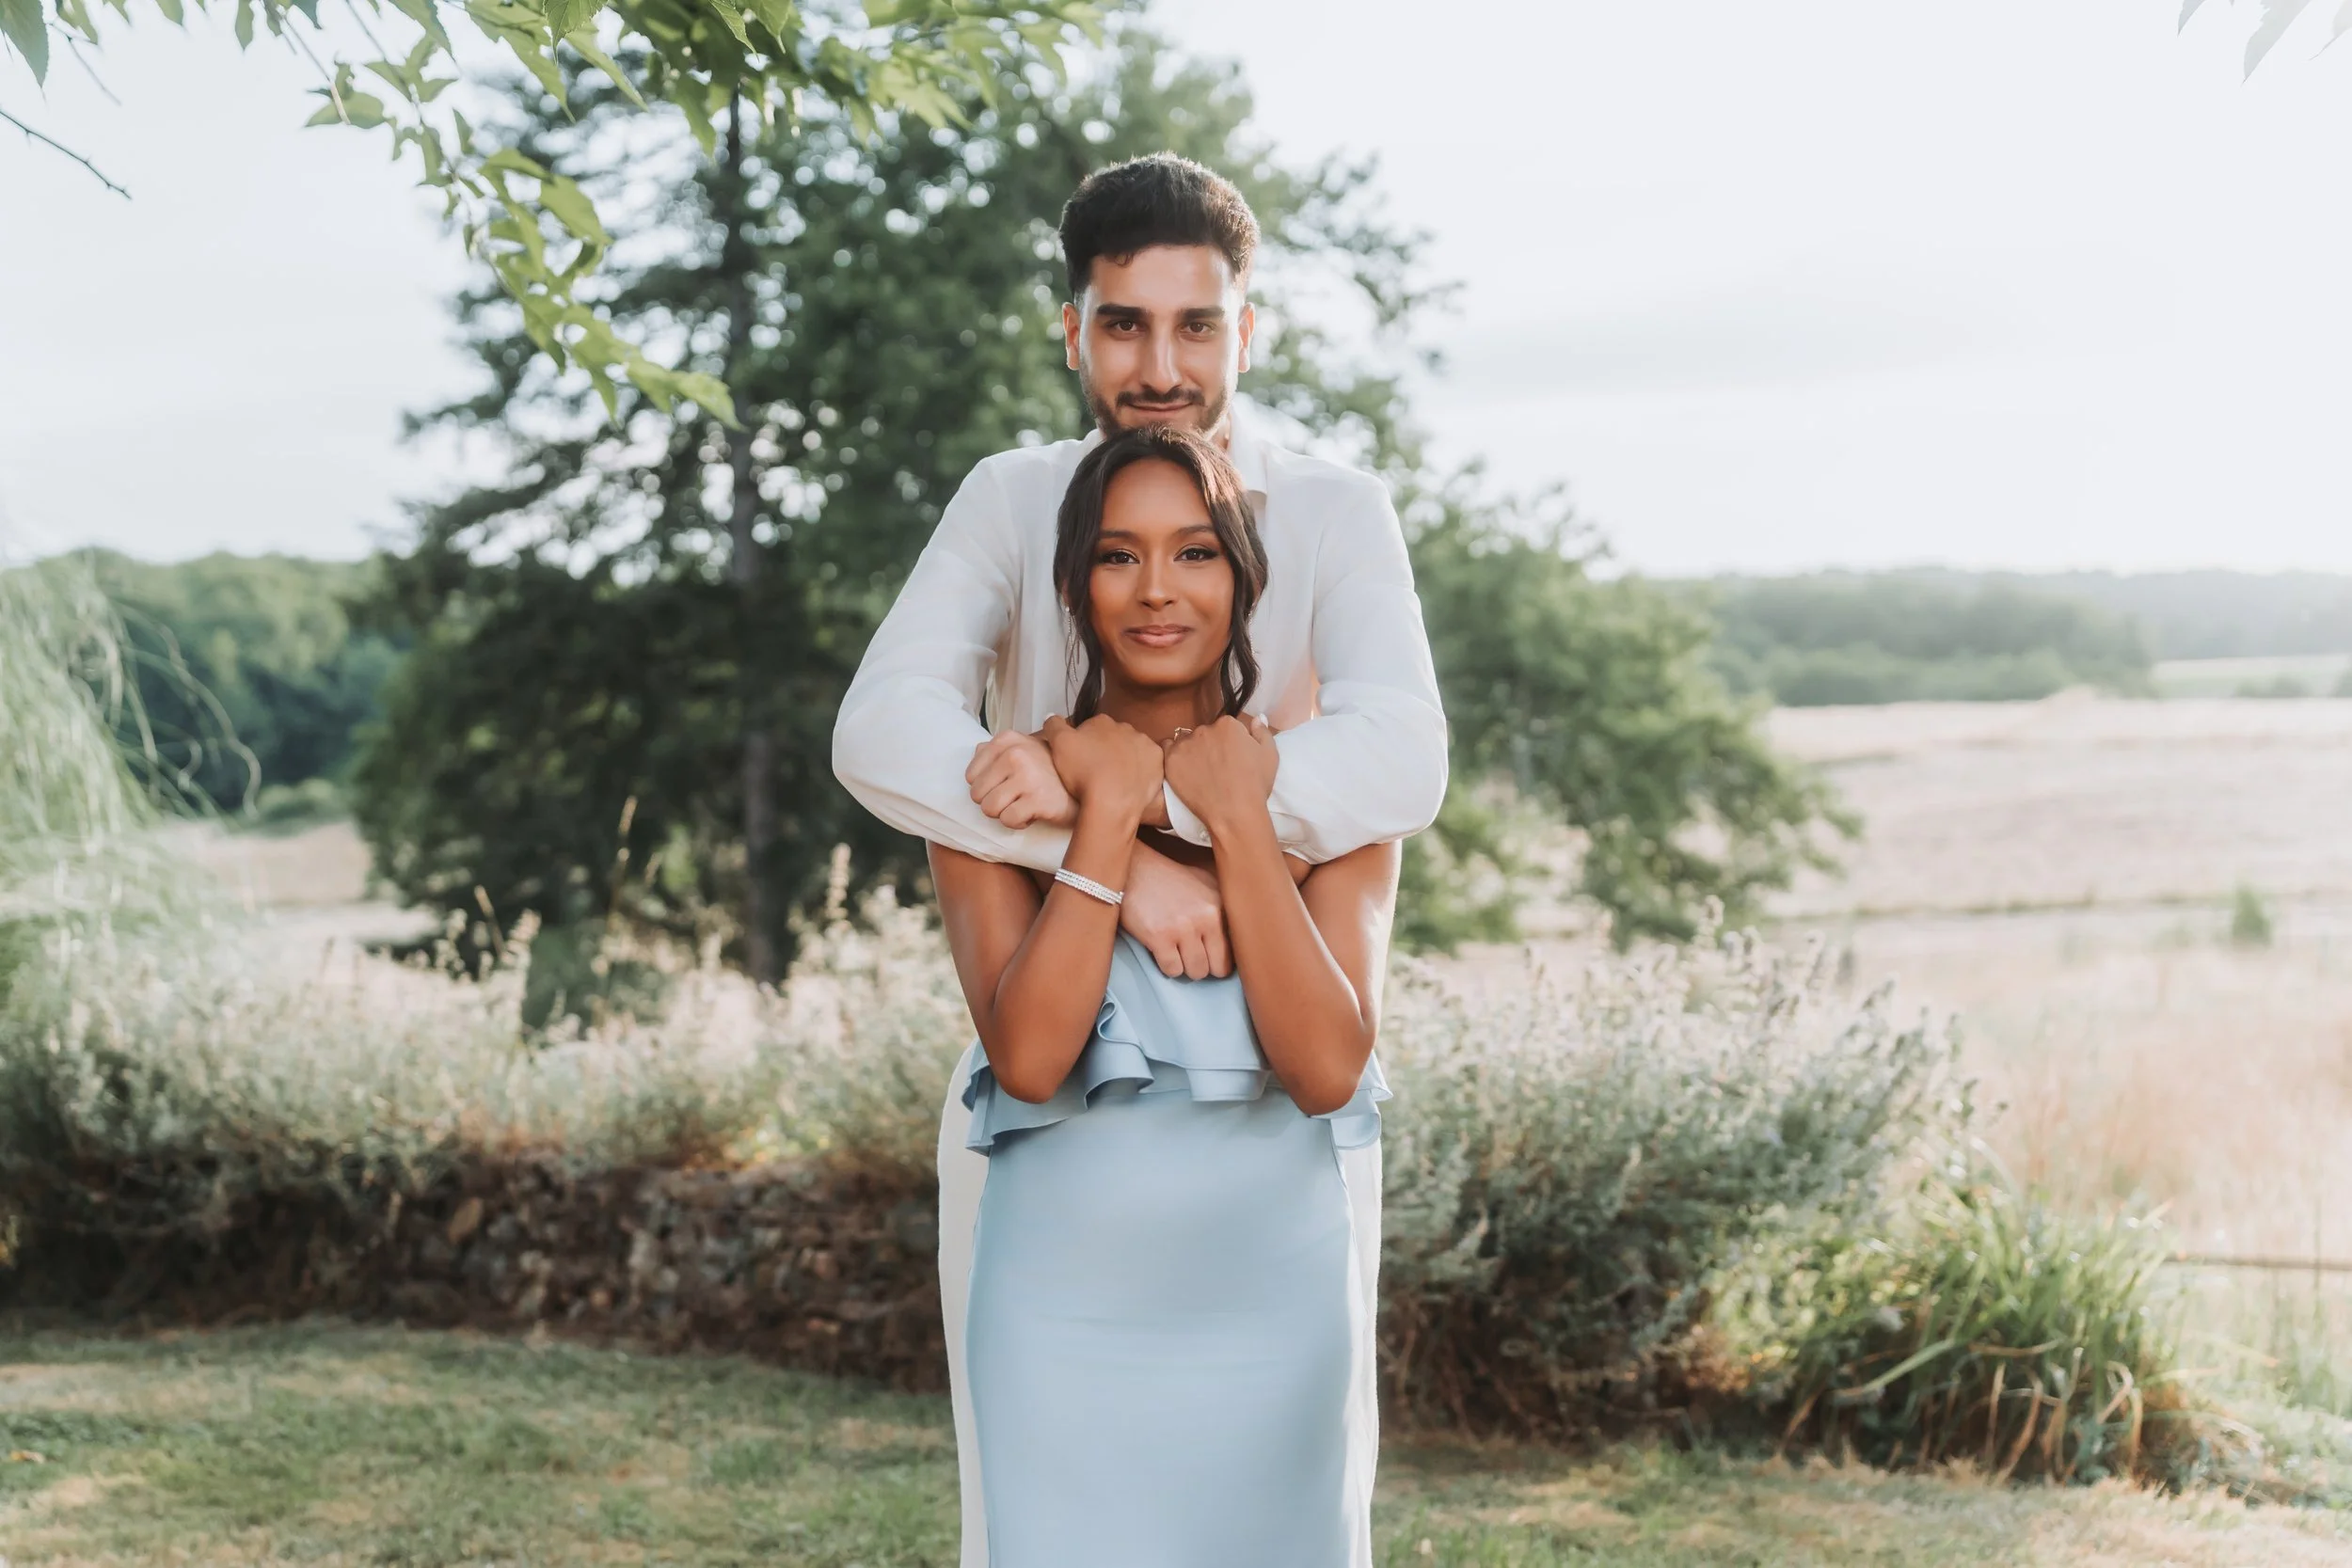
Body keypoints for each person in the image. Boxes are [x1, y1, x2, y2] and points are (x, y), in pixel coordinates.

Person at [831, 152, 1448, 1568]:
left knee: (1299, 1515)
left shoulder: (1338, 512)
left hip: (1280, 1111)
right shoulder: (1011, 499)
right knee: (1030, 1518)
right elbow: (882, 731)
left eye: (1193, 324)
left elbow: (1404, 759)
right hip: (1052, 1104)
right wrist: (1101, 845)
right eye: (1123, 323)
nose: (1158, 363)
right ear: (1073, 331)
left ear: (1249, 330)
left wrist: (1148, 797)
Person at [931, 422, 1398, 1562]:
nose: (1154, 589)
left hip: (1275, 1312)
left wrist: (1235, 811)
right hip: (1060, 1317)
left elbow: (1325, 1065)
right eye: (1114, 553)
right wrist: (1100, 815)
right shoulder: (998, 789)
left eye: (1195, 552)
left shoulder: (1336, 789)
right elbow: (1032, 1057)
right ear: (1072, 584)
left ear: (1244, 579)